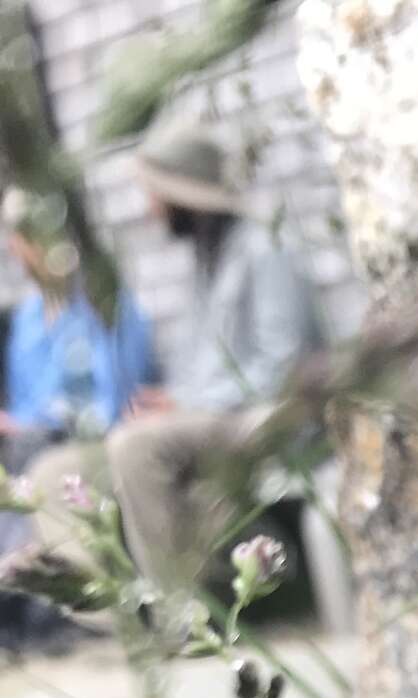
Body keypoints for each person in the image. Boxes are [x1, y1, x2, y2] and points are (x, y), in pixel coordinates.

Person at [26, 127, 322, 592]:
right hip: (205, 418)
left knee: (136, 446)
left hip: (261, 418)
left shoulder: (266, 249)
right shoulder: (204, 261)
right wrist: (171, 400)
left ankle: (179, 609)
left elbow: (283, 367)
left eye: (155, 196)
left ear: (183, 195)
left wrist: (185, 403)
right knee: (54, 472)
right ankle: (119, 614)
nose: (150, 210)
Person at [1, 188, 156, 458]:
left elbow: (116, 401)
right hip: (29, 447)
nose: (15, 249)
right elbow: (23, 406)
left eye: (24, 237)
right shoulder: (27, 317)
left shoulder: (104, 302)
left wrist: (35, 426)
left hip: (92, 446)